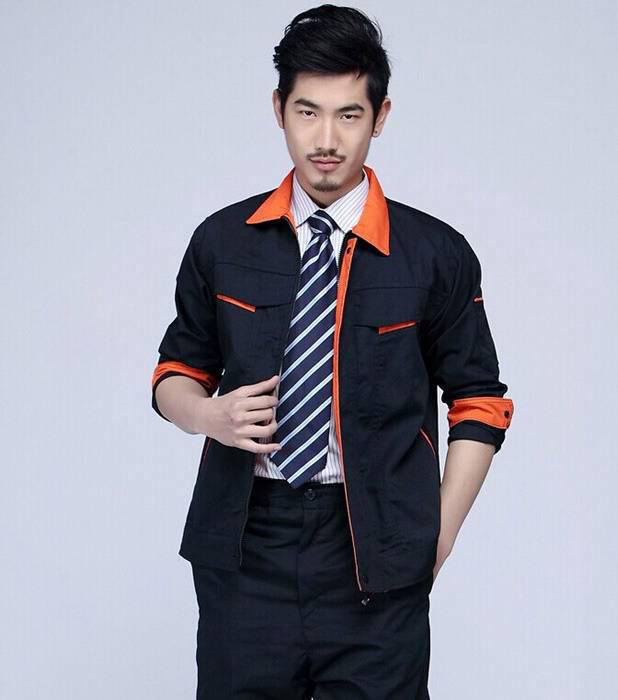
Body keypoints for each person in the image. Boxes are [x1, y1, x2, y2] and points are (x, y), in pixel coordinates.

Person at [150, 4, 515, 698]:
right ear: (279, 110)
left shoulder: (434, 253)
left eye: (349, 115)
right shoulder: (222, 241)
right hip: (246, 541)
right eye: (307, 112)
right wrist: (206, 415)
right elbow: (175, 372)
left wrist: (436, 535)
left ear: (380, 117)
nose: (326, 139)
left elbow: (480, 402)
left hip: (375, 543)